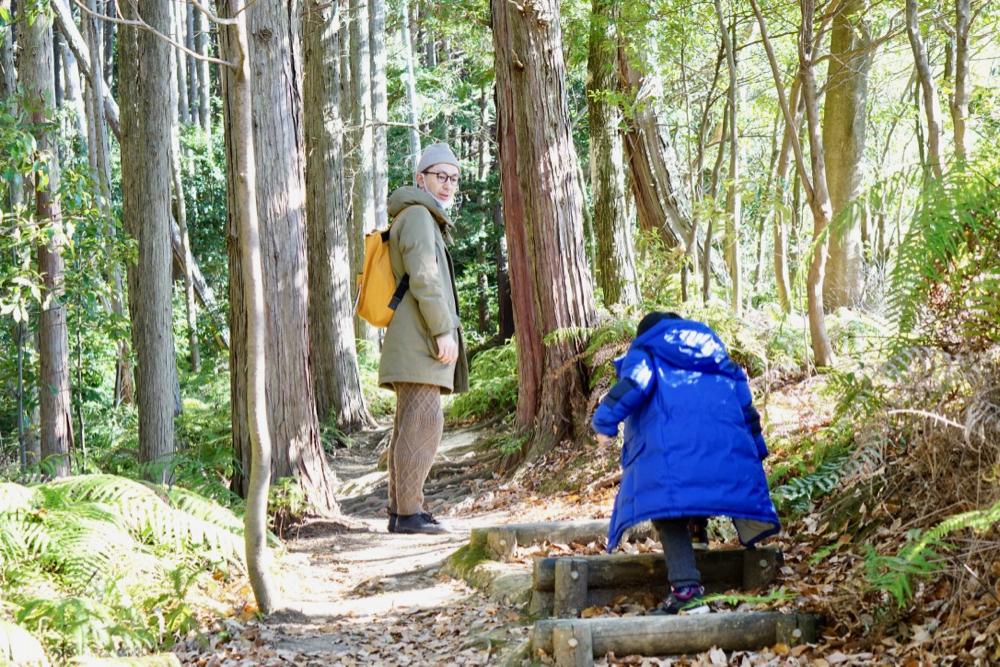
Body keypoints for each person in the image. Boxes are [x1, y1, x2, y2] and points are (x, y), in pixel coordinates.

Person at [591, 311, 780, 614]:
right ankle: (697, 535)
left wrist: (604, 421)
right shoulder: (721, 361)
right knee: (695, 485)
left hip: (674, 454)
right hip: (723, 454)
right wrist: (757, 450)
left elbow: (635, 385)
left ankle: (687, 591)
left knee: (668, 510)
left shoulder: (647, 350)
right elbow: (748, 411)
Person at [378, 143, 469, 535]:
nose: (448, 185)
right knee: (423, 423)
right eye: (440, 176)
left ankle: (404, 512)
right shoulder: (417, 216)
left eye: (453, 178)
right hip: (418, 338)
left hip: (412, 337)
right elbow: (426, 279)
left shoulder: (421, 216)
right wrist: (443, 330)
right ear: (421, 178)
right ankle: (409, 514)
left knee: (412, 423)